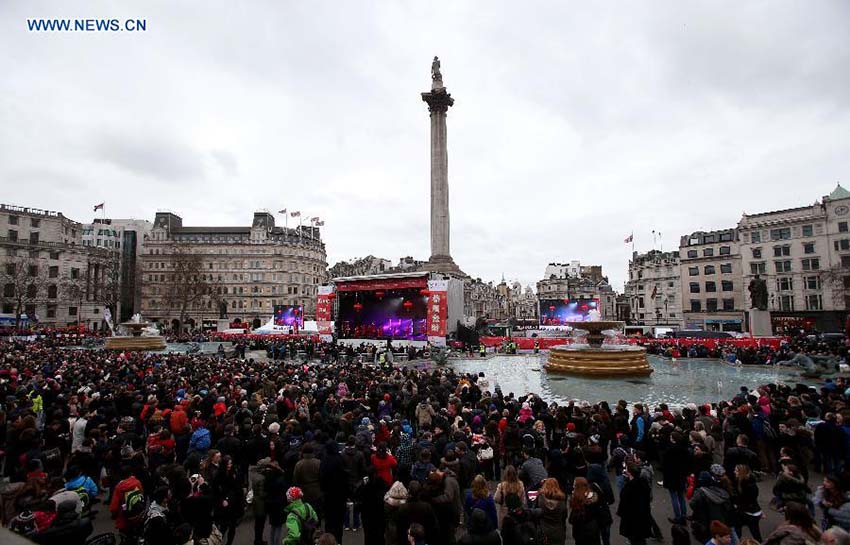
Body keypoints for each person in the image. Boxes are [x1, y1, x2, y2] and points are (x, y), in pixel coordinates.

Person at [617, 464, 652, 545]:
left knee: (635, 540)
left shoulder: (628, 487)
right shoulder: (643, 483)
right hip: (643, 516)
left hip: (632, 520)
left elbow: (623, 504)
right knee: (641, 539)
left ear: (629, 473)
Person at [570, 476, 609, 545]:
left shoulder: (577, 500)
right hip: (593, 529)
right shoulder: (594, 498)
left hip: (580, 531)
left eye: (574, 484)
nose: (573, 486)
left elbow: (573, 519)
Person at [663, 431, 691, 525]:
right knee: (681, 496)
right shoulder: (684, 450)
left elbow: (665, 463)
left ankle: (678, 517)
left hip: (672, 476)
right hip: (681, 476)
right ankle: (683, 515)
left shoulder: (670, 450)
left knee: (674, 497)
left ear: (673, 439)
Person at [733, 464, 763, 542]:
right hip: (749, 511)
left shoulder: (748, 485)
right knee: (739, 529)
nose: (734, 472)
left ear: (741, 472)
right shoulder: (742, 482)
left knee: (755, 533)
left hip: (749, 512)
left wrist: (738, 505)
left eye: (736, 470)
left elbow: (748, 499)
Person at [537, 477, 568, 545]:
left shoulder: (541, 500)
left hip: (544, 530)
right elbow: (564, 516)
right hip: (558, 530)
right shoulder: (562, 501)